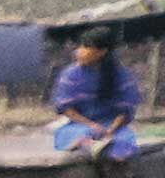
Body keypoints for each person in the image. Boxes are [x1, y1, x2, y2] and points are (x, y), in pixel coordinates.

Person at [49, 30, 143, 164]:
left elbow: (126, 108)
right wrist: (91, 125)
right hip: (80, 125)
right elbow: (65, 108)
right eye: (80, 46)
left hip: (112, 126)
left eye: (86, 47)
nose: (79, 51)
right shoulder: (70, 75)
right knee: (74, 134)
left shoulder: (122, 75)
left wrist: (111, 130)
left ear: (102, 51)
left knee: (123, 140)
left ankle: (106, 149)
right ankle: (92, 145)